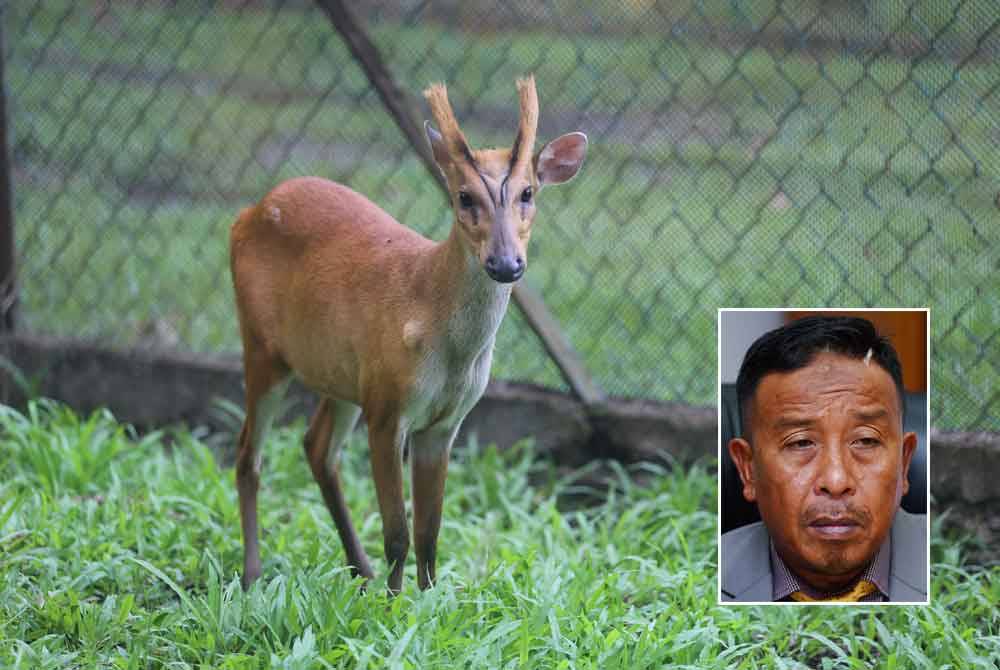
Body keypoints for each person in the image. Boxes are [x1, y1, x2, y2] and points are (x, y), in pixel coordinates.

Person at [721, 316, 927, 602]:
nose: (836, 480)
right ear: (747, 469)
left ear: (904, 463)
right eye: (801, 442)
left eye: (866, 441)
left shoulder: (956, 567)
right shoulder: (706, 574)